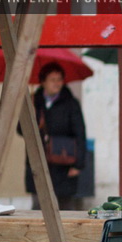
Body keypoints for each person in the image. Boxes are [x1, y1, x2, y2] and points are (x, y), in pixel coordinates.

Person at [22, 62, 87, 211]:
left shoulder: (71, 103)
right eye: (52, 79)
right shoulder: (33, 101)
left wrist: (78, 165)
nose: (56, 83)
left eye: (59, 79)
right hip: (38, 160)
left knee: (65, 207)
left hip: (63, 161)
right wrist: (34, 116)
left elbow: (80, 133)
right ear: (43, 82)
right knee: (39, 205)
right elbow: (21, 130)